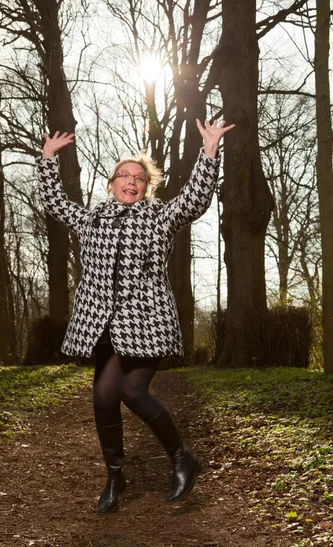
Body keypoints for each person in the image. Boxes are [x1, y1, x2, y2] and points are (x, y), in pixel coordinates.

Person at [37, 118, 235, 514]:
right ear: (111, 183)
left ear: (146, 187)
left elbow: (194, 199)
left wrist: (209, 150)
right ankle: (115, 475)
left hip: (146, 322)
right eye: (124, 175)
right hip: (103, 326)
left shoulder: (159, 218)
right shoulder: (92, 219)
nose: (131, 181)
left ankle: (182, 457)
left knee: (132, 392)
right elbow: (56, 204)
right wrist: (47, 159)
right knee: (104, 396)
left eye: (139, 178)